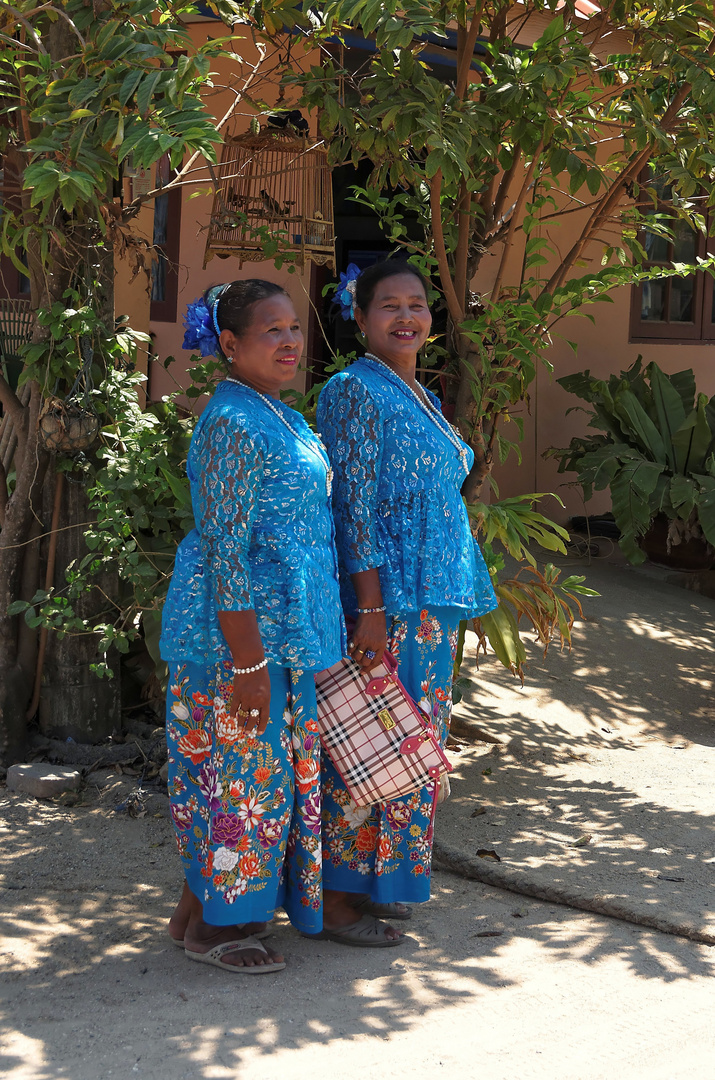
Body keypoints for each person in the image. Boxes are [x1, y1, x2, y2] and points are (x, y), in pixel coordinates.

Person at [159, 279, 345, 972]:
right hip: (235, 645)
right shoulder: (232, 422)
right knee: (240, 783)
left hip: (277, 639)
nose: (290, 340)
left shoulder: (274, 413)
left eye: (294, 327)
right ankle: (217, 929)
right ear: (230, 345)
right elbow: (223, 550)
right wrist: (246, 663)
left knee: (247, 779)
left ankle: (195, 917)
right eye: (272, 330)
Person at [316, 259, 498, 925]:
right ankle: (338, 896)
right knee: (369, 739)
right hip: (384, 603)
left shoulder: (419, 392)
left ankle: (383, 883)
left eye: (416, 305)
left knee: (408, 744)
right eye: (387, 306)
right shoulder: (352, 392)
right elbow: (352, 507)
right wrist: (365, 609)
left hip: (427, 603)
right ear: (360, 319)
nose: (405, 317)